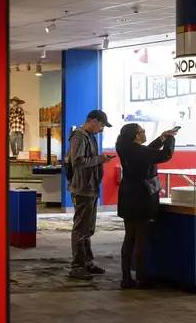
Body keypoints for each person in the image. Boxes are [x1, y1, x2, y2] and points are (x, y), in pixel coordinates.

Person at [115, 123, 176, 289]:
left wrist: (161, 138)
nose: (144, 133)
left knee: (129, 237)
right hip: (142, 197)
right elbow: (164, 155)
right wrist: (170, 139)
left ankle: (126, 278)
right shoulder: (138, 151)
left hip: (127, 195)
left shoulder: (124, 147)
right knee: (141, 239)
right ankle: (142, 278)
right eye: (142, 132)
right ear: (136, 136)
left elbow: (146, 152)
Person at [66, 110, 112, 280]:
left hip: (90, 188)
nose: (101, 129)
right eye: (101, 125)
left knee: (87, 227)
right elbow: (78, 161)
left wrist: (100, 159)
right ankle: (77, 266)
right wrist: (99, 160)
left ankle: (87, 262)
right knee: (80, 228)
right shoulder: (79, 136)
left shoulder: (89, 136)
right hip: (82, 188)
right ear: (93, 121)